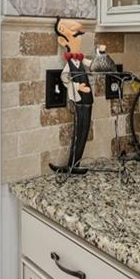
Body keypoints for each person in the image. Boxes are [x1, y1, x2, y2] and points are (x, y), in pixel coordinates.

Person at [53, 17, 92, 173]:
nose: (79, 38)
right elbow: (64, 78)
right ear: (63, 42)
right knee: (78, 133)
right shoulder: (69, 64)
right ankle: (72, 164)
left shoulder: (80, 60)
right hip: (80, 101)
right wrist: (78, 87)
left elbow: (93, 65)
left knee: (84, 133)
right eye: (75, 35)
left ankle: (75, 164)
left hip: (88, 101)